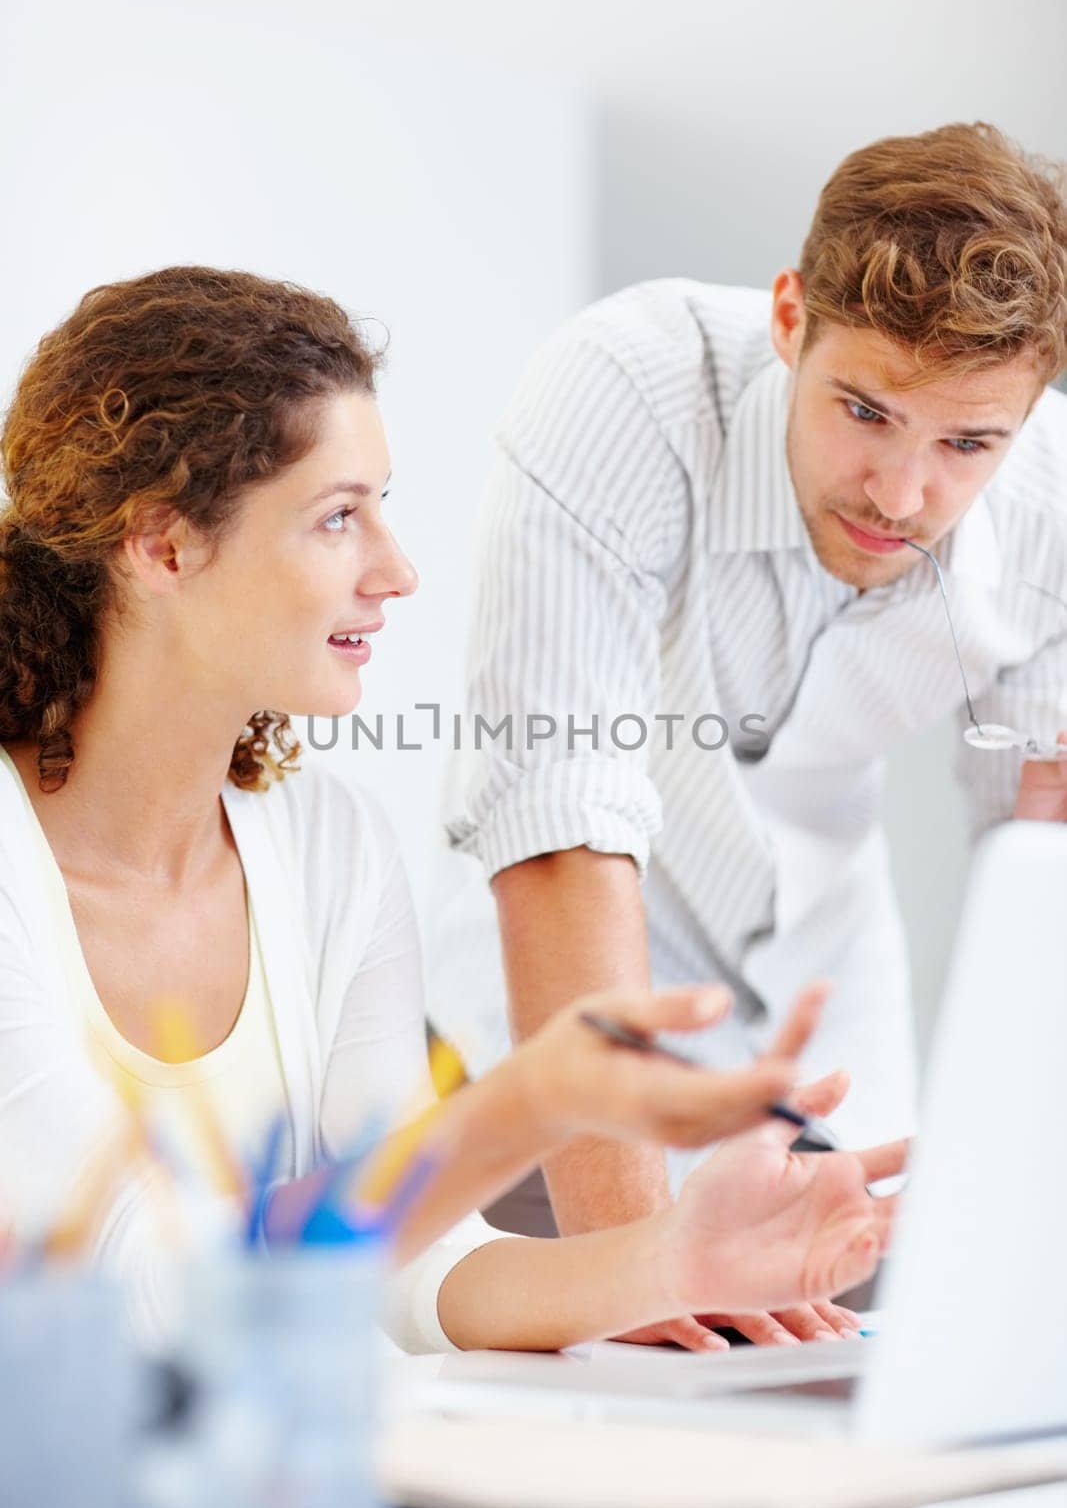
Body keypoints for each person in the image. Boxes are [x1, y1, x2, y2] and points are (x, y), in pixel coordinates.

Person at [0, 266, 902, 1353]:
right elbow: (152, 1279)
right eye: (338, 518)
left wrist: (673, 1258)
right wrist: (517, 1109)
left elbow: (410, 1267)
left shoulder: (331, 847)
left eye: (382, 508)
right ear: (163, 545)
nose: (396, 569)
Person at [429, 120, 1067, 1351]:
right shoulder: (623, 390)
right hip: (547, 1062)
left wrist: (1018, 1223)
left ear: (1030, 413)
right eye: (865, 410)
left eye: (967, 444)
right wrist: (645, 1264)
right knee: (591, 1433)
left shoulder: (1054, 524)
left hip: (831, 1083)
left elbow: (1038, 882)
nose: (899, 492)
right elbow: (558, 817)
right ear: (789, 319)